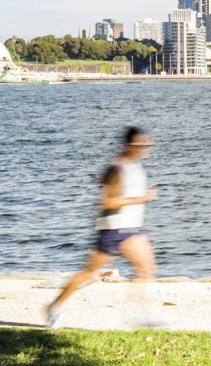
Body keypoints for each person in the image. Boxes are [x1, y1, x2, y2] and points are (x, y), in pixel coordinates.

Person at [46, 127, 162, 329]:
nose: (144, 148)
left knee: (147, 268)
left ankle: (143, 315)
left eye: (147, 145)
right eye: (140, 145)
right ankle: (55, 307)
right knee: (89, 273)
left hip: (130, 228)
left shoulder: (133, 166)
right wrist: (141, 198)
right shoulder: (117, 168)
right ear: (127, 145)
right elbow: (107, 202)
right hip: (113, 229)